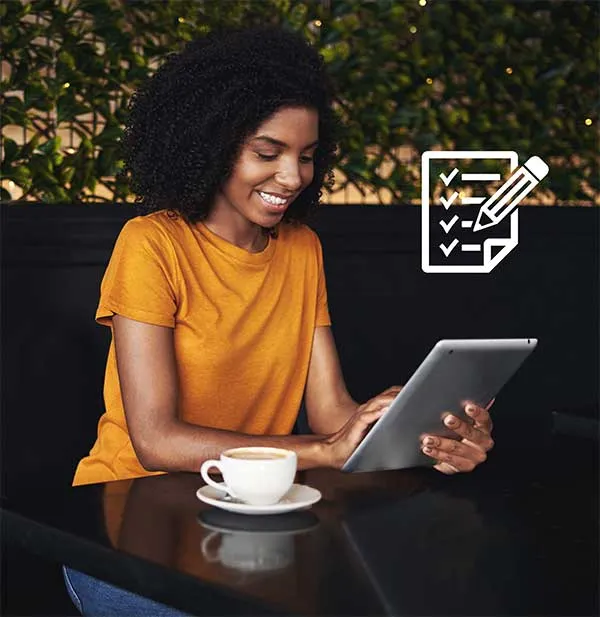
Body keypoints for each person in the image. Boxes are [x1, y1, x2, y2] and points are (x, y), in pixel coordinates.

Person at [63, 24, 494, 616]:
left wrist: (423, 436)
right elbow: (157, 440)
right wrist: (323, 449)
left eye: (307, 157)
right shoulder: (151, 244)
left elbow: (332, 413)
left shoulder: (301, 248)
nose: (292, 177)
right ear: (210, 144)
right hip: (125, 521)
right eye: (267, 153)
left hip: (255, 524)